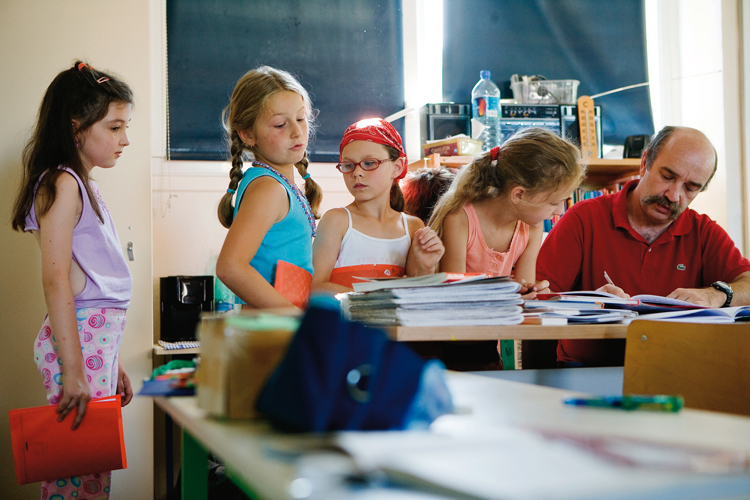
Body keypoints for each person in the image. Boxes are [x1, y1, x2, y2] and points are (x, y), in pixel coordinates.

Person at [11, 61, 134, 499]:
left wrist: (111, 358)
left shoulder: (84, 184)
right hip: (78, 345)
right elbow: (57, 281)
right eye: (115, 127)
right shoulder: (63, 183)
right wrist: (75, 369)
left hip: (92, 342)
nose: (125, 140)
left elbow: (90, 281)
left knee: (91, 470)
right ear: (76, 126)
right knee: (77, 475)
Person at [537, 126, 750, 367]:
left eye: (690, 188)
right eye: (667, 177)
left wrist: (718, 294)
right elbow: (539, 299)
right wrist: (587, 303)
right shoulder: (583, 219)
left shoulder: (703, 231)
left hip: (676, 372)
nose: (673, 195)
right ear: (645, 162)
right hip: (587, 370)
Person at [428, 127, 585, 369]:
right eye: (554, 202)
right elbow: (455, 299)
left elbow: (522, 300)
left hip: (490, 345)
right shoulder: (460, 218)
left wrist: (528, 292)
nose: (560, 211)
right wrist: (508, 295)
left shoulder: (530, 228)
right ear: (519, 194)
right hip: (447, 348)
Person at [216, 66, 322, 308]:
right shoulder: (268, 188)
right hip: (269, 332)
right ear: (247, 134)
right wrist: (295, 318)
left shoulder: (282, 186)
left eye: (300, 119)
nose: (297, 132)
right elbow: (230, 267)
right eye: (279, 125)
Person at [311, 118, 444, 292]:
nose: (357, 173)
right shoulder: (336, 221)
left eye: (369, 163)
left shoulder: (413, 227)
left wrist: (426, 266)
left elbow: (416, 293)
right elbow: (314, 287)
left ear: (397, 166)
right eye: (348, 165)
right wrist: (374, 299)